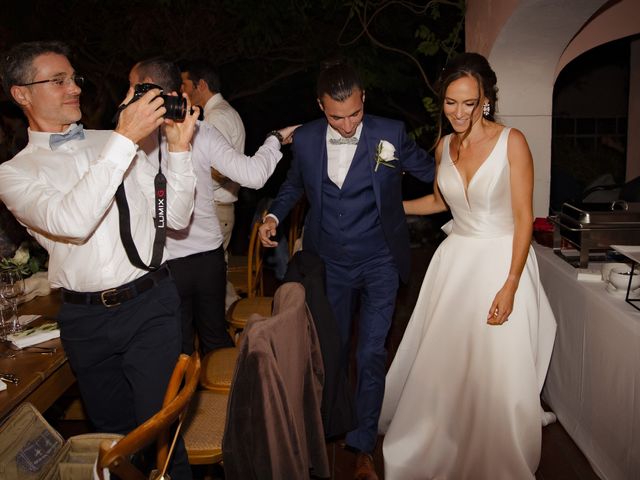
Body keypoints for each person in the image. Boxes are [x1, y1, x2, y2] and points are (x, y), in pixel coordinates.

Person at [0, 41, 198, 478]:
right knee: (111, 443)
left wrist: (180, 152)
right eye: (58, 80)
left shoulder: (113, 142)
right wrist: (125, 140)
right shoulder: (14, 173)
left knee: (159, 438)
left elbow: (177, 218)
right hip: (85, 321)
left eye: (74, 79)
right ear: (22, 94)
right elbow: (73, 221)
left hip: (150, 306)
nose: (74, 89)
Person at [378, 52, 557, 479]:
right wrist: (392, 206)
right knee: (449, 363)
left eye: (468, 103)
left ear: (485, 102)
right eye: (450, 103)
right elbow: (442, 202)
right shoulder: (444, 145)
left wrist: (511, 285)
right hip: (455, 265)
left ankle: (497, 452)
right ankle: (443, 440)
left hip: (502, 262)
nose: (459, 113)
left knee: (497, 368)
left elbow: (523, 219)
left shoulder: (513, 142)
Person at [259, 60, 435, 480]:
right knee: (329, 352)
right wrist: (273, 218)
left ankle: (362, 449)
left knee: (371, 352)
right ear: (321, 106)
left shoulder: (388, 133)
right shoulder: (305, 141)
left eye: (355, 113)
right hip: (329, 265)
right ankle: (324, 429)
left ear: (363, 101)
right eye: (337, 116)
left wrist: (469, 164)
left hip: (379, 261)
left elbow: (434, 172)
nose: (347, 124)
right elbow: (294, 186)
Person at [129, 57, 297, 355]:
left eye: (132, 90)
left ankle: (193, 402)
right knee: (214, 342)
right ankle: (222, 401)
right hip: (208, 260)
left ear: (146, 91)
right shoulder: (200, 130)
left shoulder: (132, 140)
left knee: (176, 350)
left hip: (168, 264)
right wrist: (274, 140)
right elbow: (254, 175)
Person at [180, 60, 245, 309]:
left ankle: (232, 337)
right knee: (214, 281)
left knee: (210, 284)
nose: (181, 91)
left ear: (201, 85)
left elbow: (221, 171)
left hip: (215, 208)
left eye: (185, 84)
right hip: (219, 207)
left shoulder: (216, 118)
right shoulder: (222, 113)